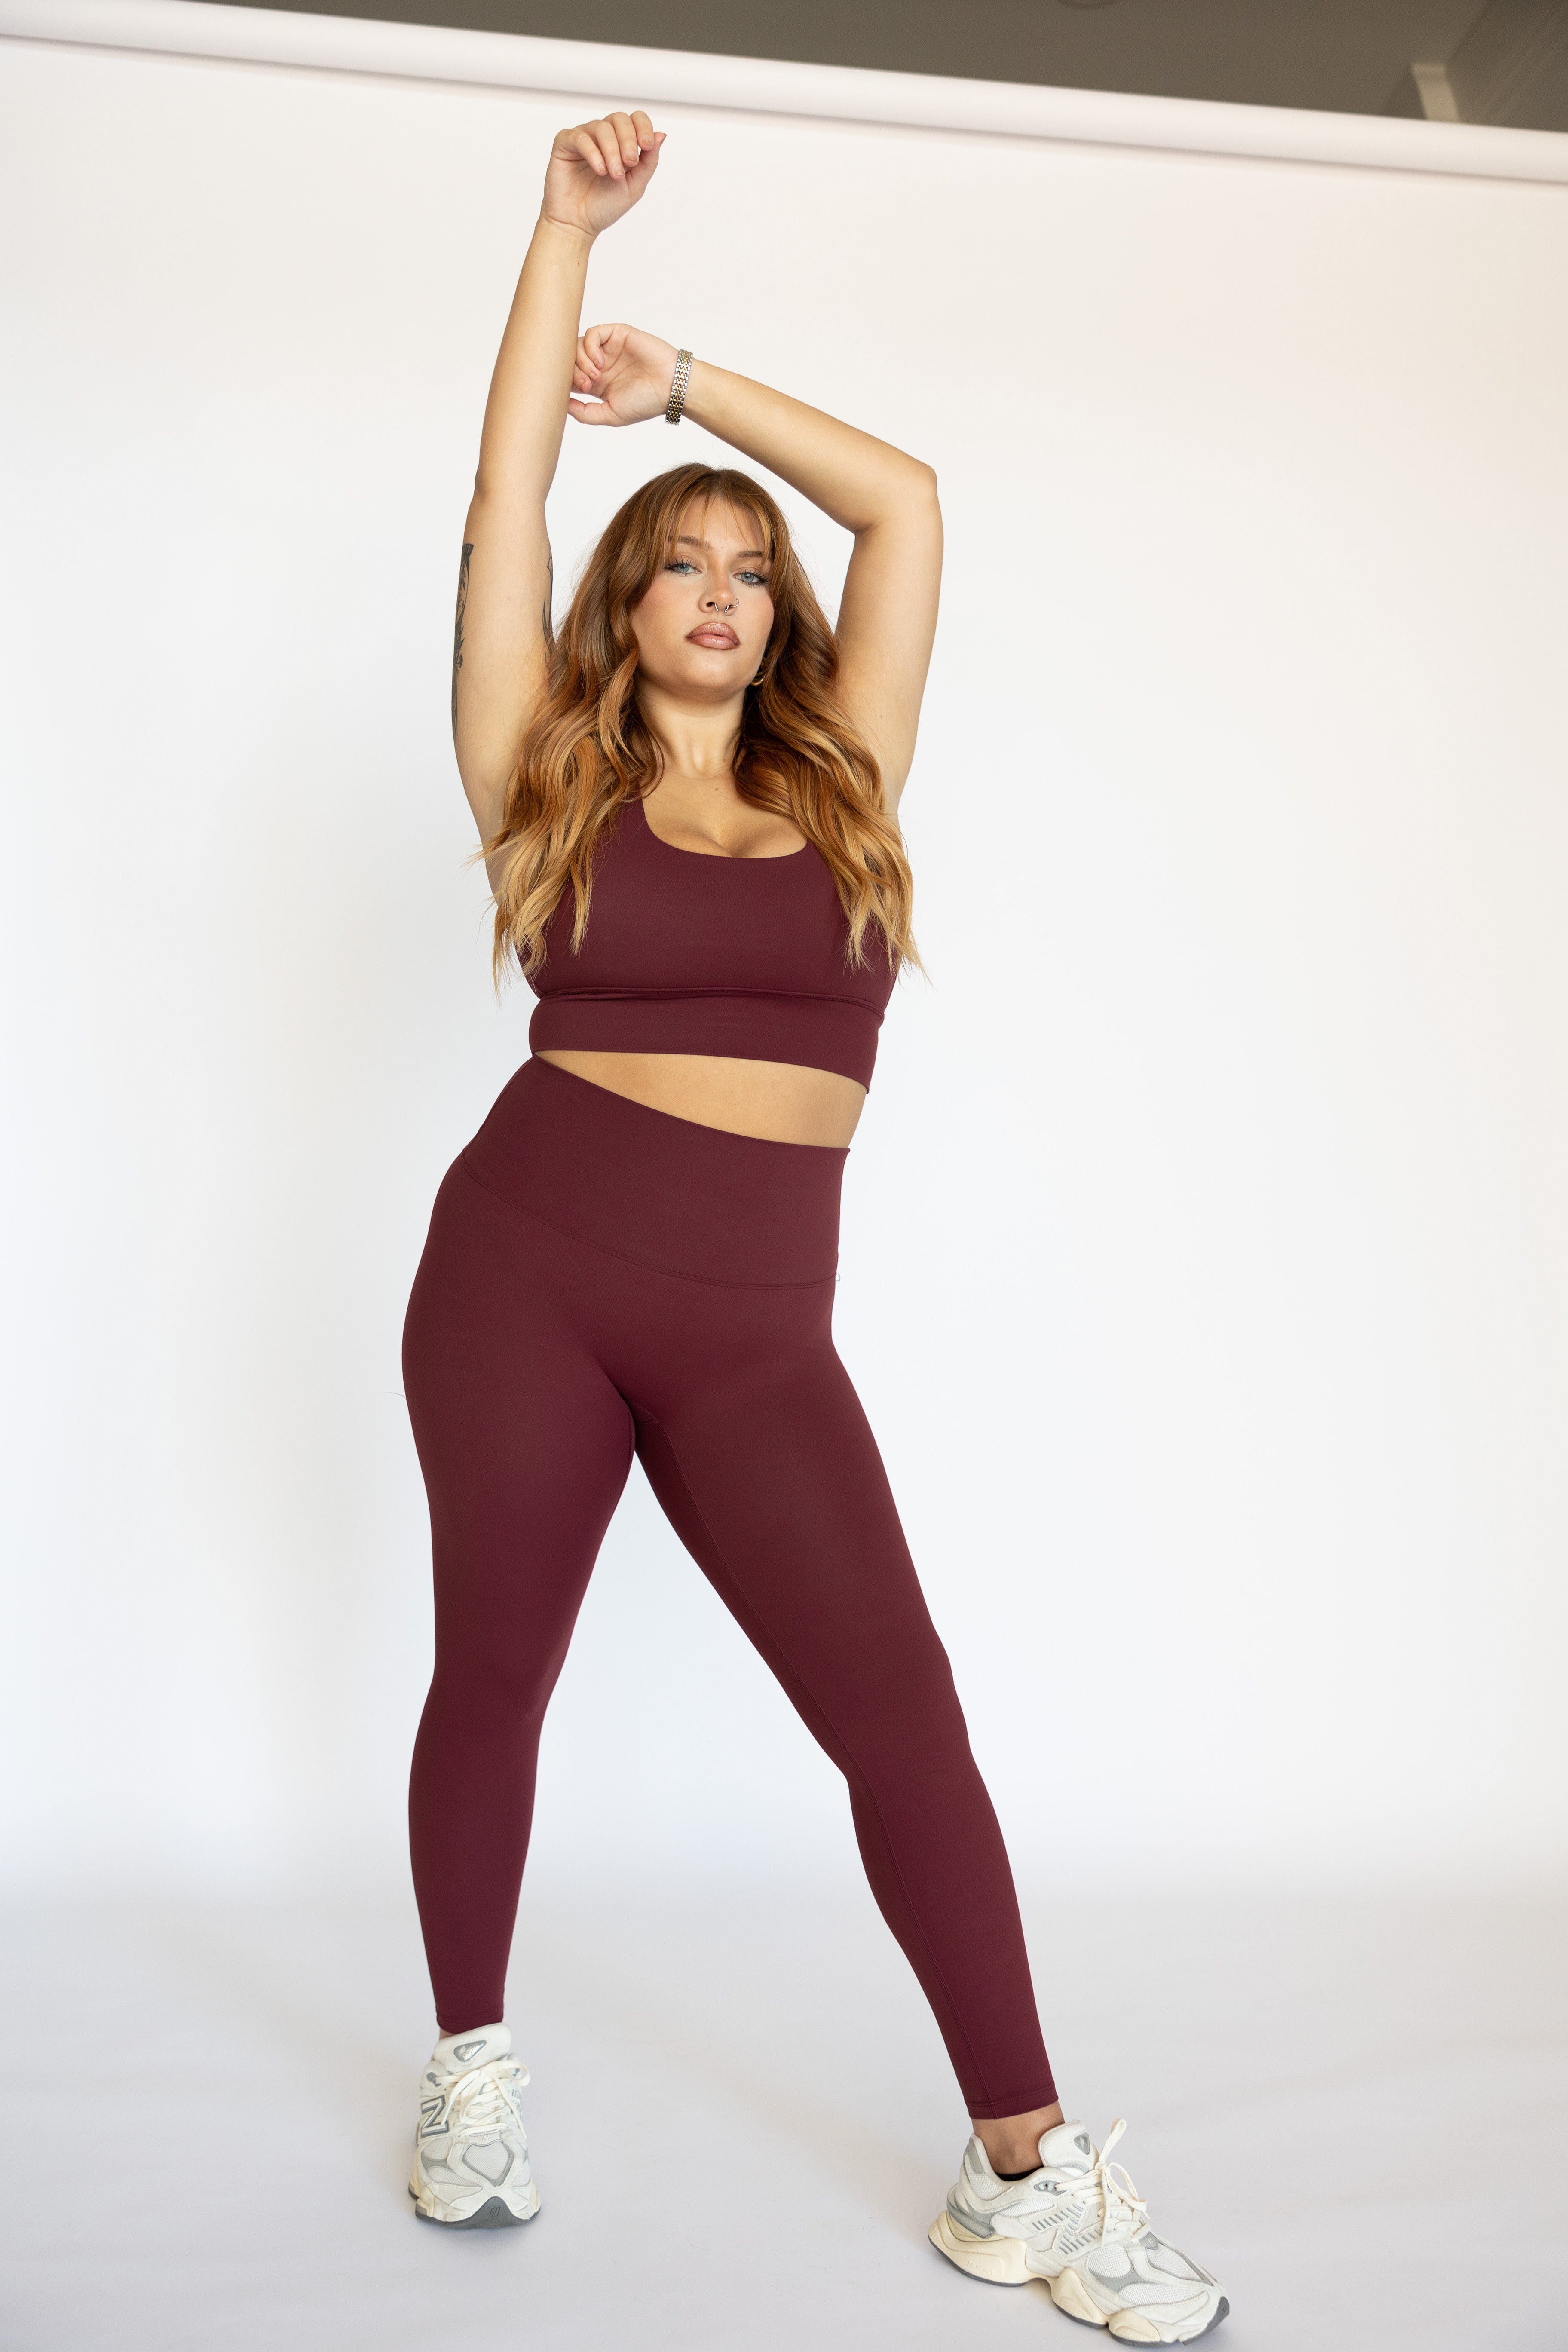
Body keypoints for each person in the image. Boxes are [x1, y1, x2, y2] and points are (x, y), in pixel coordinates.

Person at [400, 109, 1228, 2343]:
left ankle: (1023, 2171)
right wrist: (558, 244)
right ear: (623, 603)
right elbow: (502, 499)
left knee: (905, 1722)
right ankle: (471, 2068)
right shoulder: (542, 771)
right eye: (678, 561)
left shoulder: (846, 772)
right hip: (522, 1281)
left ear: (780, 617)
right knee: (499, 1673)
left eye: (748, 569)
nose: (718, 590)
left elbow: (911, 502)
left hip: (758, 1333)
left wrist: (686, 388)